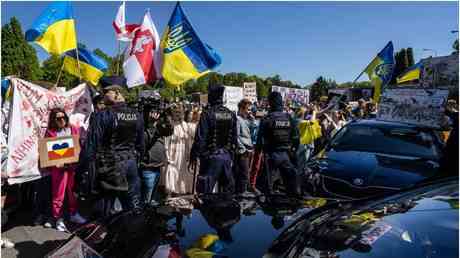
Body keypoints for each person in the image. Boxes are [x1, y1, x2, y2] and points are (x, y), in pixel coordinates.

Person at [85, 78, 144, 215]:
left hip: (109, 168)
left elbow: (90, 147)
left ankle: (106, 234)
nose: (102, 95)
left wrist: (81, 173)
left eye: (105, 92)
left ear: (116, 92)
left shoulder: (102, 115)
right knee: (133, 211)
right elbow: (141, 146)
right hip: (131, 166)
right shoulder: (137, 115)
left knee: (103, 213)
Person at [190, 84, 237, 194]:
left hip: (210, 159)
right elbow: (235, 139)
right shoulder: (231, 114)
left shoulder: (207, 114)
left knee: (204, 194)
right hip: (226, 157)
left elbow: (200, 139)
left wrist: (194, 154)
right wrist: (231, 156)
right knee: (227, 195)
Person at [45, 108, 87, 231]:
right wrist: (54, 164)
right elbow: (46, 153)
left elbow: (78, 146)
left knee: (72, 192)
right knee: (58, 194)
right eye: (58, 118)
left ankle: (74, 214)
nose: (62, 120)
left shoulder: (73, 128)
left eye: (64, 117)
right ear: (53, 120)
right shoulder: (50, 132)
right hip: (58, 169)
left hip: (72, 167)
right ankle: (58, 218)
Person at [254, 91, 301, 197]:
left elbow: (259, 142)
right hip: (286, 155)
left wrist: (259, 157)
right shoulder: (289, 118)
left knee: (267, 189)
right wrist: (293, 153)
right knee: (291, 188)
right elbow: (297, 139)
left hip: (271, 156)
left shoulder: (266, 119)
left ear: (271, 103)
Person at [140, 100, 173, 205]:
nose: (155, 113)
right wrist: (150, 124)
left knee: (152, 198)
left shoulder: (158, 125)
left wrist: (167, 115)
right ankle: (144, 218)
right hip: (147, 167)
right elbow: (146, 142)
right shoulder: (143, 126)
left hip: (157, 166)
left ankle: (149, 215)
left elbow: (169, 131)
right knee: (146, 200)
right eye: (152, 111)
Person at [163, 104, 196, 195]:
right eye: (176, 113)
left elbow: (191, 137)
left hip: (184, 154)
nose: (178, 115)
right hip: (173, 154)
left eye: (180, 113)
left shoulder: (186, 126)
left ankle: (181, 192)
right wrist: (168, 156)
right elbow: (167, 142)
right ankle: (172, 192)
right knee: (173, 171)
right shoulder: (171, 126)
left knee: (183, 172)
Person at [235, 99, 255, 194]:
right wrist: (243, 149)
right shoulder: (238, 120)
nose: (249, 111)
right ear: (242, 109)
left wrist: (252, 120)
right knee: (244, 174)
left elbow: (252, 131)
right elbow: (236, 136)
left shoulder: (246, 120)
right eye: (247, 109)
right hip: (243, 151)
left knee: (245, 173)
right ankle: (241, 194)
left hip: (248, 150)